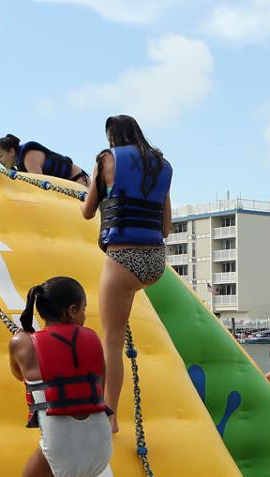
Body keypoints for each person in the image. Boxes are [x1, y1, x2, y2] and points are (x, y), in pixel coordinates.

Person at [5, 277, 114, 477]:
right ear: (71, 310)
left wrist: (27, 341)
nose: (84, 317)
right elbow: (98, 390)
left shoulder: (22, 343)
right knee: (74, 452)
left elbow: (18, 375)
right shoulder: (93, 338)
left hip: (64, 449)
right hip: (100, 444)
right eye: (83, 310)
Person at [81, 115, 173, 434]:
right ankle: (110, 412)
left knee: (112, 340)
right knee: (117, 331)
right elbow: (165, 226)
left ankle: (110, 416)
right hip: (155, 263)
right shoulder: (162, 166)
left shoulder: (106, 160)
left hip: (123, 258)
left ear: (111, 137)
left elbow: (87, 211)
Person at [0, 134, 90, 186]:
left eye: (0, 156)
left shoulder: (28, 157)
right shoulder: (19, 165)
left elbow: (38, 186)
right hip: (69, 183)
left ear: (12, 151)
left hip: (78, 180)